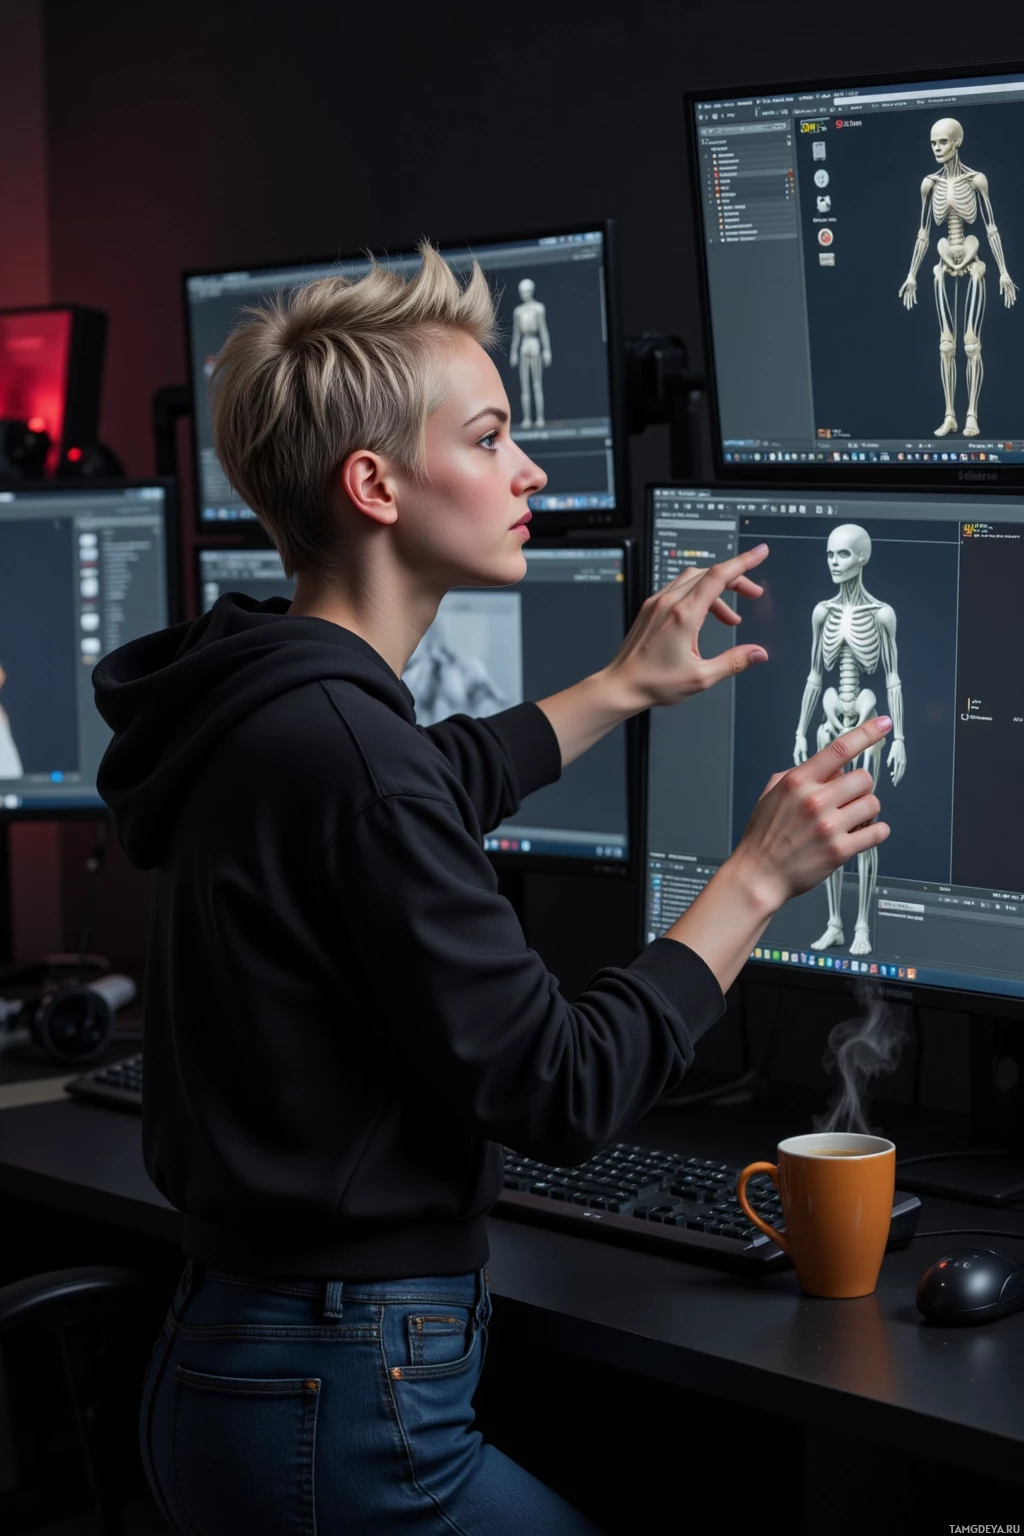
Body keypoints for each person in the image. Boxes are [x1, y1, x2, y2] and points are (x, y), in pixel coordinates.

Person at [93, 246, 890, 1536]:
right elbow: (561, 1090)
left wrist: (622, 686)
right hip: (343, 1402)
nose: (530, 473)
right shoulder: (353, 757)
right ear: (377, 485)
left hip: (247, 1368)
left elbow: (430, 779)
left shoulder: (268, 704)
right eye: (490, 436)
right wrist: (754, 879)